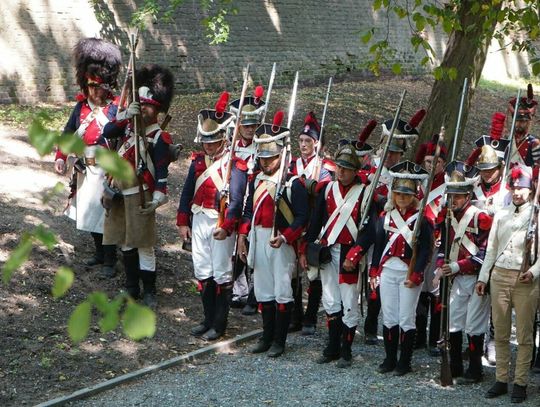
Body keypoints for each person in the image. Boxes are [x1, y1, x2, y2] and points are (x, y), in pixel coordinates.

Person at [350, 160, 434, 375]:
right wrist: (374, 270)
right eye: (398, 193)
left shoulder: (422, 220)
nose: (402, 198)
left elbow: (425, 250)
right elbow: (377, 245)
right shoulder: (384, 216)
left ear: (414, 195)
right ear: (393, 194)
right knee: (389, 316)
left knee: (406, 317)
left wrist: (416, 275)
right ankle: (389, 359)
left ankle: (404, 362)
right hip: (387, 271)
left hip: (408, 272)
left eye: (406, 194)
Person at [101, 64, 175, 308]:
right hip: (120, 194)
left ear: (157, 110)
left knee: (144, 245)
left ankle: (150, 291)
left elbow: (161, 169)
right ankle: (131, 289)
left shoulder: (158, 137)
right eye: (140, 105)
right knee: (125, 243)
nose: (143, 110)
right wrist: (123, 116)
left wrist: (158, 196)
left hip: (140, 196)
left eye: (147, 106)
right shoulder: (127, 127)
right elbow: (107, 131)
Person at [237, 112, 309, 357]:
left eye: (271, 158)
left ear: (281, 156)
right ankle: (266, 337)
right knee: (264, 291)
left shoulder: (293, 183)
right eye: (263, 159)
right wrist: (242, 237)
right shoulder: (256, 180)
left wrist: (287, 236)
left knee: (281, 291)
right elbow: (248, 211)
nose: (266, 163)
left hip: (281, 242)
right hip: (258, 238)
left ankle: (280, 340)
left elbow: (302, 218)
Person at [177, 92, 247, 340]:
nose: (207, 146)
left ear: (223, 140)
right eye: (205, 141)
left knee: (221, 273)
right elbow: (187, 192)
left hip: (220, 224)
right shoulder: (197, 161)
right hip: (198, 219)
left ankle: (220, 324)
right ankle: (207, 320)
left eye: (212, 141)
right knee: (203, 271)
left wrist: (227, 227)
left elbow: (237, 201)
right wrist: (183, 221)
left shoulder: (235, 165)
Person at [54, 38, 121, 278]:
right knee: (90, 213)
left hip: (108, 169)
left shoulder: (115, 108)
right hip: (86, 168)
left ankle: (110, 261)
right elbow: (68, 133)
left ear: (106, 86)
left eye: (98, 87)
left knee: (106, 216)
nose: (94, 91)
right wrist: (61, 156)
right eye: (91, 86)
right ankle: (100, 254)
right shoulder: (80, 108)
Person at [299, 143, 368, 367]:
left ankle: (346, 350)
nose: (342, 172)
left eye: (347, 169)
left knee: (348, 301)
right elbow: (316, 221)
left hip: (350, 255)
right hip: (328, 253)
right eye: (339, 167)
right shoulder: (328, 190)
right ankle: (332, 346)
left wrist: (355, 255)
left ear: (355, 171)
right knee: (330, 300)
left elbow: (367, 230)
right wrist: (305, 248)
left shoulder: (364, 193)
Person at [476, 164, 540, 403]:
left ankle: (520, 383)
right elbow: (491, 249)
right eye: (513, 187)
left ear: (530, 189)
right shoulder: (501, 215)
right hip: (500, 276)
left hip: (526, 280)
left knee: (524, 336)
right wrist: (483, 277)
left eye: (521, 188)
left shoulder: (537, 214)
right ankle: (501, 379)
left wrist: (534, 272)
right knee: (500, 333)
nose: (516, 192)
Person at [362, 110, 425, 345]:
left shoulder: (404, 173)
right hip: (371, 227)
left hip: (393, 231)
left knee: (387, 279)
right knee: (373, 279)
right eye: (388, 151)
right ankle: (370, 324)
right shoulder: (371, 167)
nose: (391, 157)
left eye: (396, 153)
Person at [432, 161, 492, 384]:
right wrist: (441, 266)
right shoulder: (447, 216)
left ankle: (475, 370)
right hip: (455, 278)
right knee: (454, 322)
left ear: (467, 195)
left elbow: (486, 253)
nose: (453, 200)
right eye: (451, 196)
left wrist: (458, 266)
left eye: (458, 196)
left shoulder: (480, 217)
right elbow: (443, 248)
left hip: (476, 277)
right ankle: (455, 365)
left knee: (474, 324)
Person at [466, 111, 511, 365]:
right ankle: (475, 341)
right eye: (483, 169)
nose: (486, 174)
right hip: (473, 248)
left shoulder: (506, 191)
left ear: (499, 168)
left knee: (496, 299)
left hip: (499, 249)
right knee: (475, 298)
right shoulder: (472, 186)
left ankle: (492, 341)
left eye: (491, 170)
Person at [289, 111, 334, 335]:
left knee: (313, 271)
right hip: (295, 222)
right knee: (294, 271)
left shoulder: (325, 167)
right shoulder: (292, 164)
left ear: (316, 144)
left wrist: (314, 185)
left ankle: (310, 316)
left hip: (315, 223)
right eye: (301, 140)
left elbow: (326, 192)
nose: (304, 144)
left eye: (308, 141)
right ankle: (295, 314)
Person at [229, 86, 265, 315]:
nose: (251, 129)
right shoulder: (231, 145)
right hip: (235, 200)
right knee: (236, 248)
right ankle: (238, 288)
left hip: (256, 200)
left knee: (253, 249)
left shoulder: (263, 147)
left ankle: (254, 293)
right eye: (247, 125)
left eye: (254, 125)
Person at [413, 133, 447, 356]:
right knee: (418, 287)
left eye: (436, 162)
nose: (431, 165)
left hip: (437, 241)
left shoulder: (448, 184)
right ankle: (417, 336)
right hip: (417, 241)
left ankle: (435, 338)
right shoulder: (417, 182)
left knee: (434, 289)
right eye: (427, 161)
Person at [506, 84, 539, 167]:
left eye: (523, 121)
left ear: (528, 123)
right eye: (517, 121)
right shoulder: (508, 139)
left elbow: (537, 167)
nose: (519, 124)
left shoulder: (534, 143)